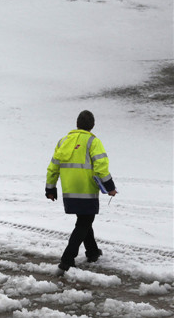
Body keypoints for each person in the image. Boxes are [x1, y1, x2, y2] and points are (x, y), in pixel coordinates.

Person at [46, 110, 117, 273]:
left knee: (85, 220)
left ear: (77, 123)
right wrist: (110, 188)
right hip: (87, 191)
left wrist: (50, 188)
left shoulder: (63, 141)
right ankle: (67, 259)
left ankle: (92, 252)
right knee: (84, 222)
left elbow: (53, 167)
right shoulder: (93, 141)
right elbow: (101, 167)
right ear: (92, 126)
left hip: (69, 191)